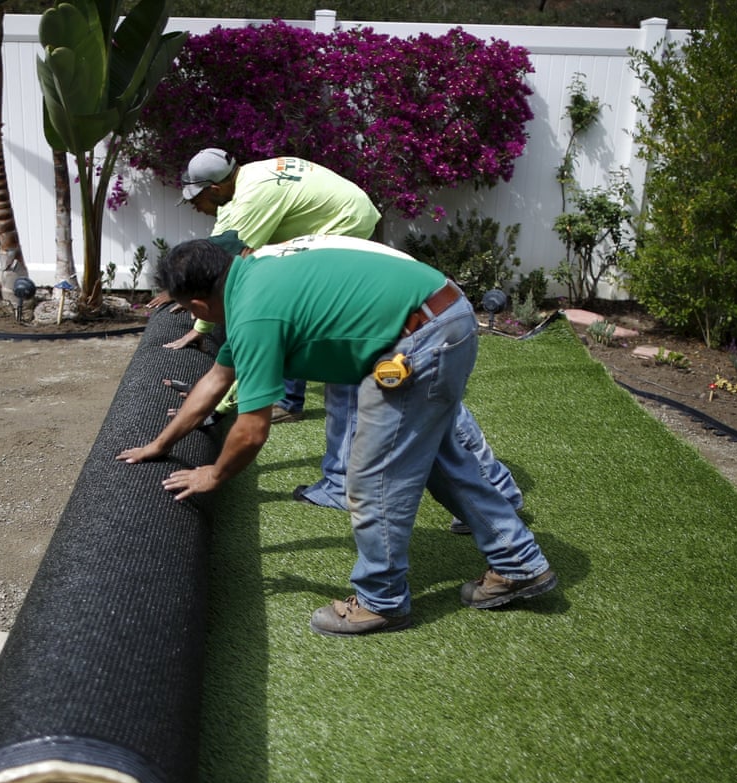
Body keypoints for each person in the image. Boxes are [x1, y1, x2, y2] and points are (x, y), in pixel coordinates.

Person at [117, 240, 557, 637]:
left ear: (198, 303)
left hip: (419, 338)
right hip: (443, 315)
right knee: (441, 461)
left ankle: (381, 603)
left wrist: (215, 473)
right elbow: (216, 379)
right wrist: (162, 444)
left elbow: (252, 429)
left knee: (373, 478)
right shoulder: (251, 277)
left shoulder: (253, 313)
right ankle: (519, 565)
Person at [164, 149, 380, 509]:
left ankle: (342, 482)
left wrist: (220, 400)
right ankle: (290, 401)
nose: (195, 208)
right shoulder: (249, 178)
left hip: (345, 226)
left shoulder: (250, 202)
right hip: (359, 230)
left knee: (338, 367)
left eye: (197, 199)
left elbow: (216, 268)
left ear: (215, 188)